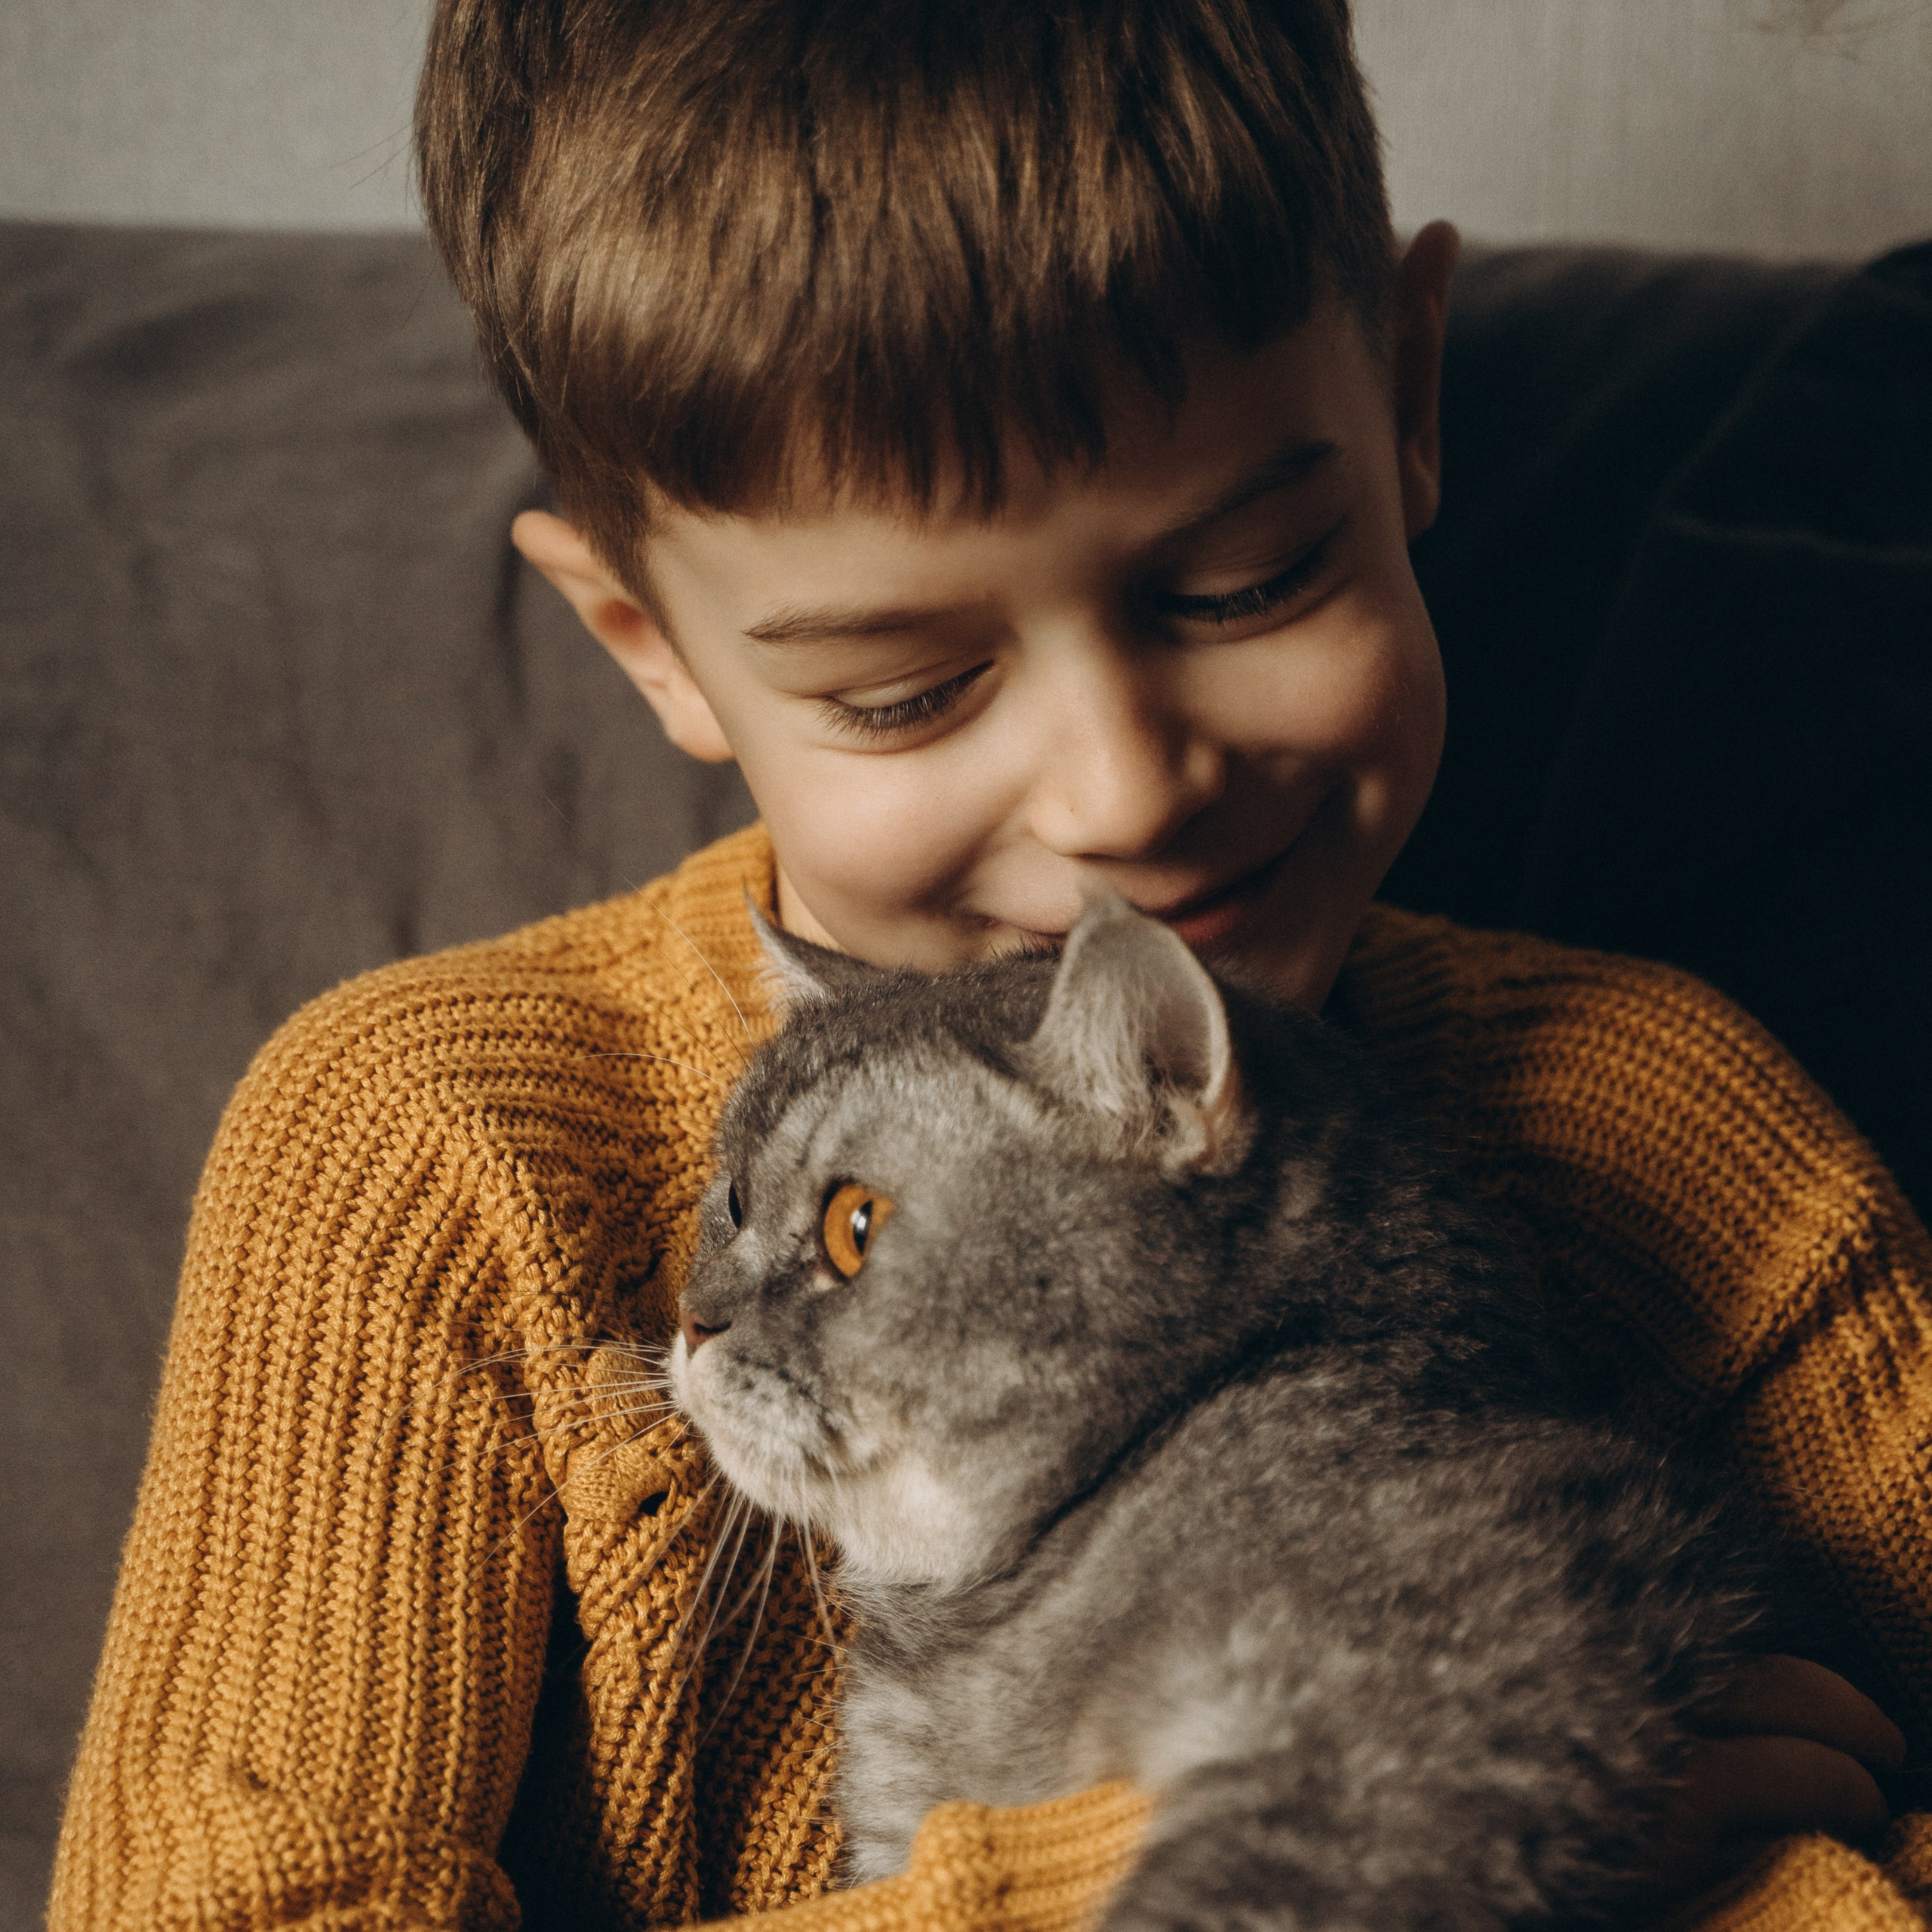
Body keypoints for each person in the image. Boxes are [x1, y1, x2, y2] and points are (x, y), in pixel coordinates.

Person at [48, 2, 1929, 1928]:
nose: (1124, 794)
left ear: (1410, 405)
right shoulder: (423, 1157)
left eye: (1245, 583)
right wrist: (1324, 1829)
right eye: (912, 687)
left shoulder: (1676, 1139)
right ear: (654, 647)